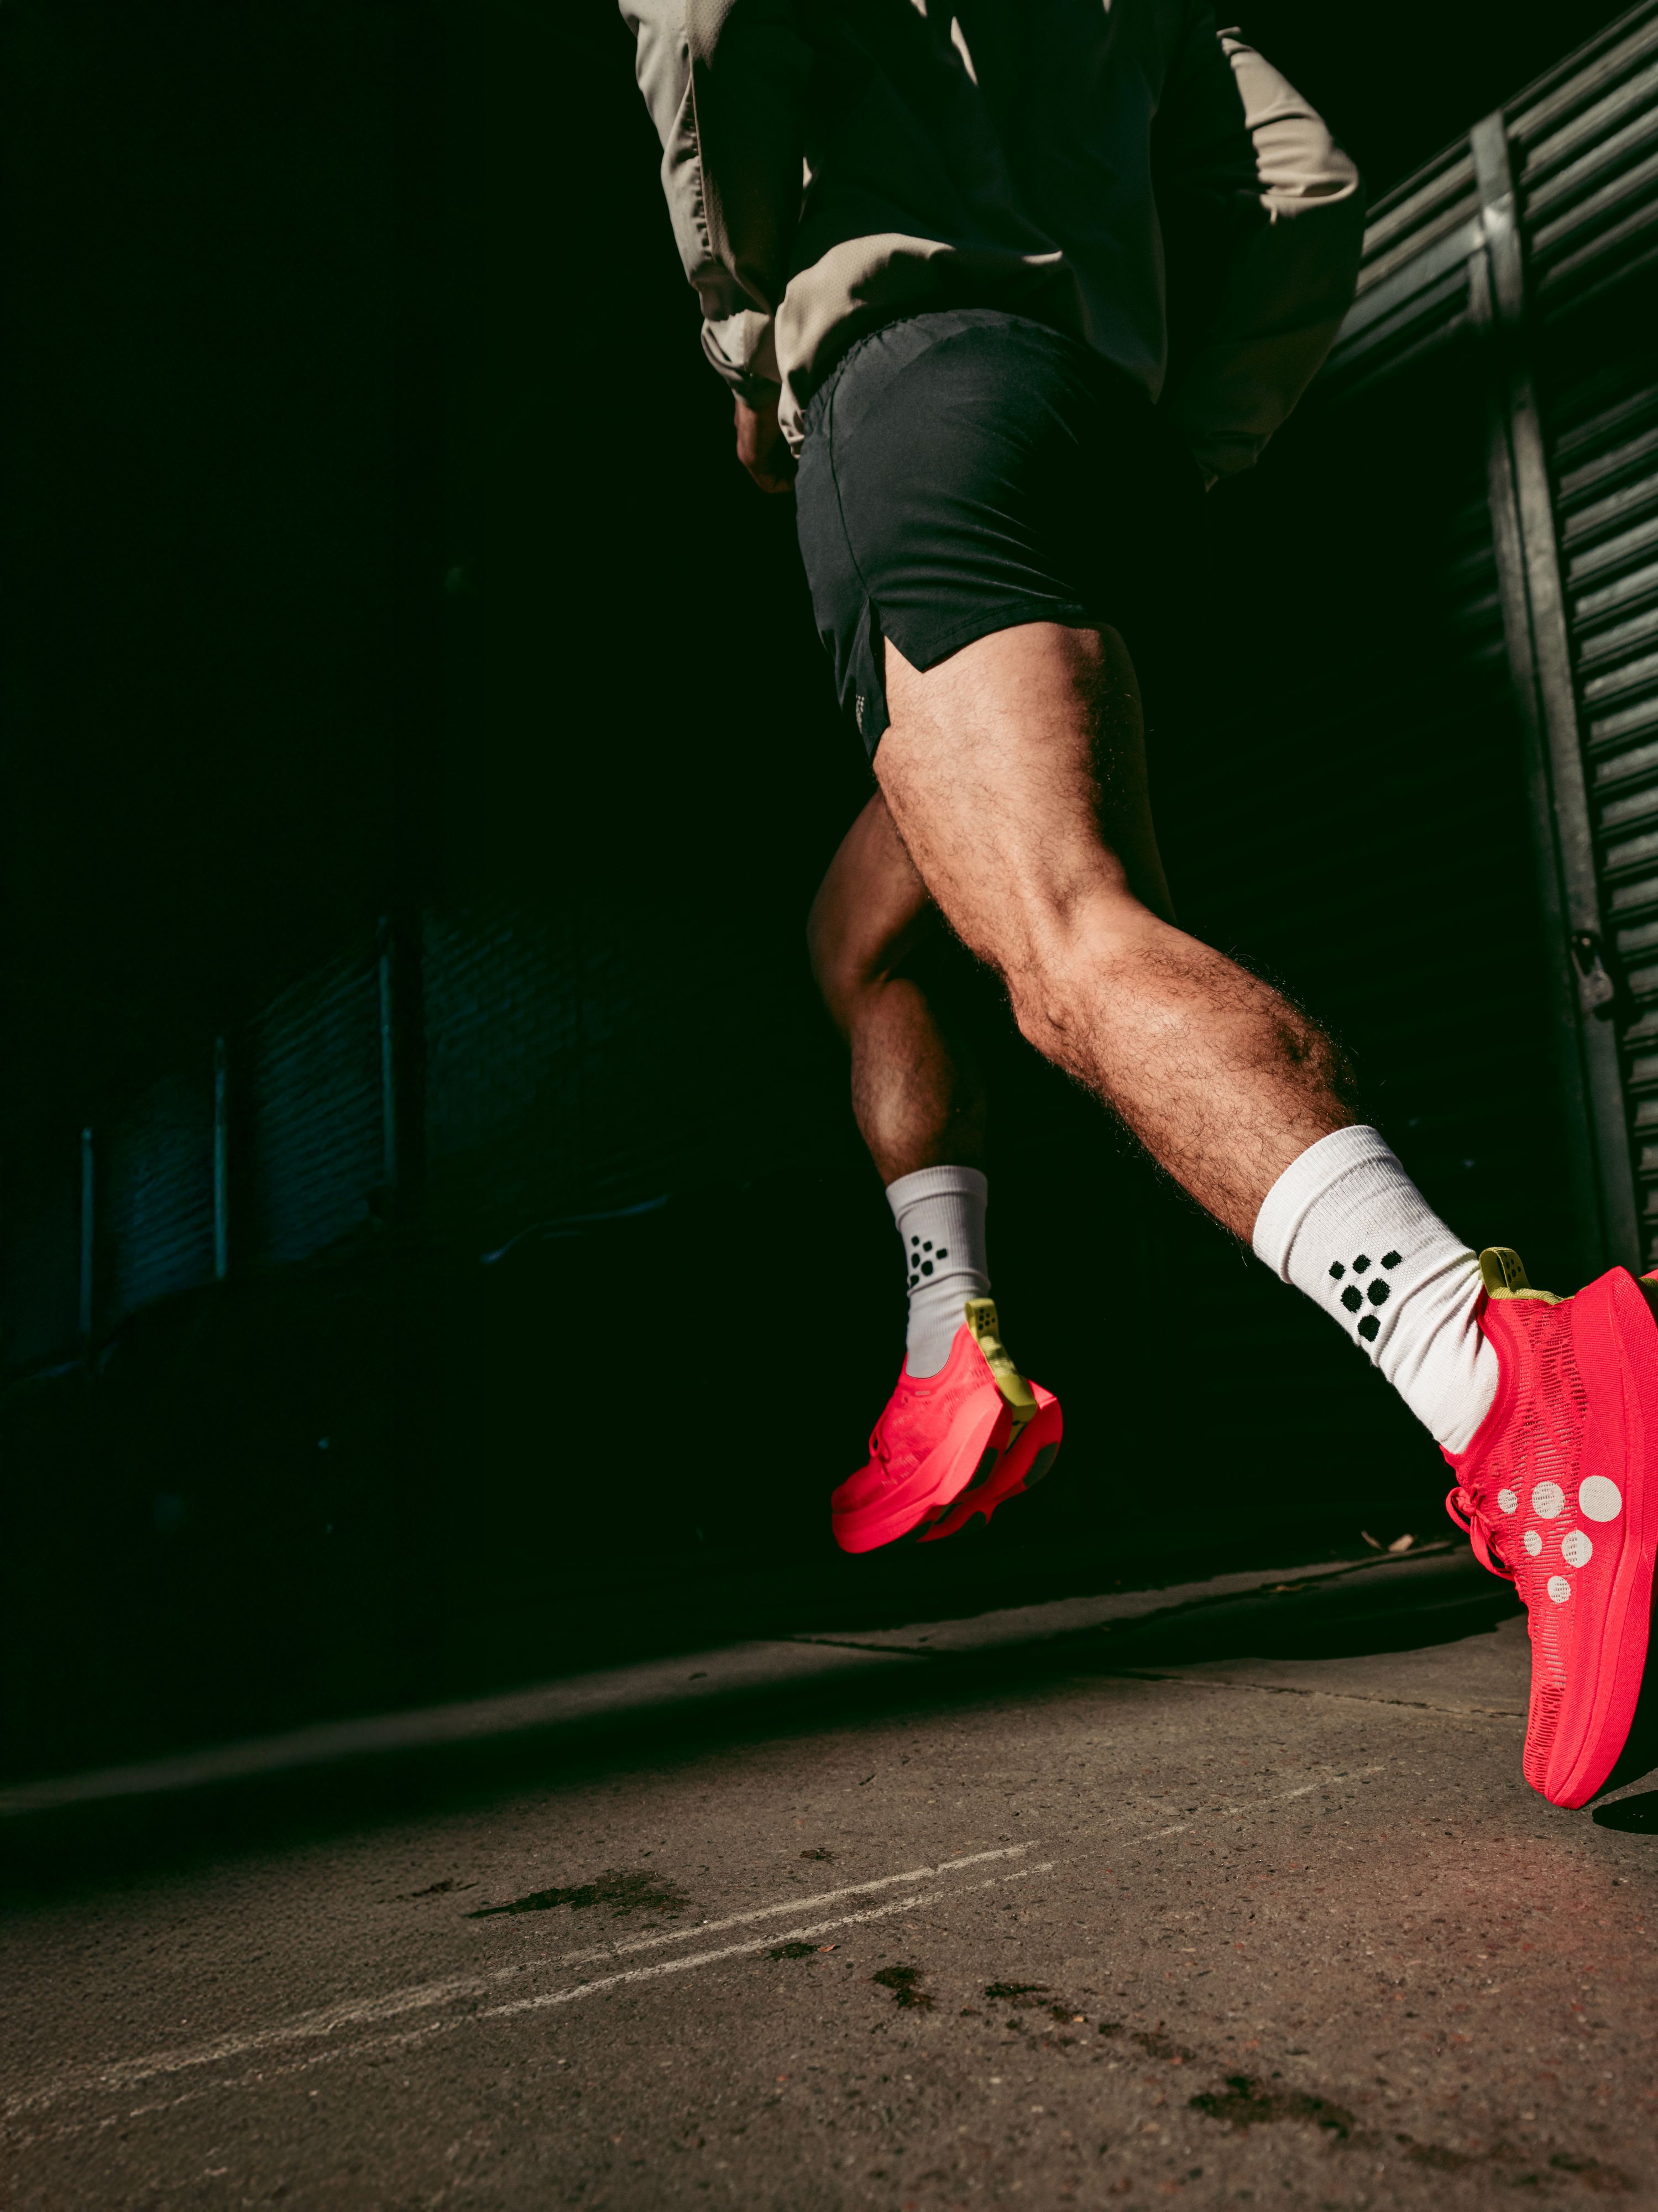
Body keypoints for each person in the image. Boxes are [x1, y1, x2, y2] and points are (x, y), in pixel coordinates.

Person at [619, 0, 1658, 1809]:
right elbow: (1306, 190)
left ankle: (1511, 1387)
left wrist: (740, 349)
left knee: (1074, 955)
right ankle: (955, 1353)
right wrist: (1202, 433)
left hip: (914, 391)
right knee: (869, 927)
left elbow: (702, 28)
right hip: (1105, 439)